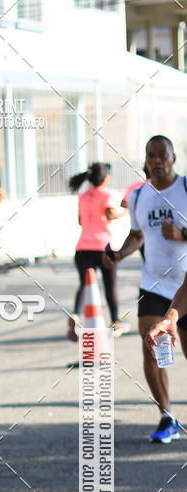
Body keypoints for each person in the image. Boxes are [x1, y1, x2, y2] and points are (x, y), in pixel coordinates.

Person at [103, 135, 187, 443]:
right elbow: (137, 235)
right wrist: (119, 254)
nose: (157, 161)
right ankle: (167, 417)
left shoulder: (186, 189)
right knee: (152, 349)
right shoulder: (139, 197)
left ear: (173, 157)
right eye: (151, 156)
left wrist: (183, 233)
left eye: (162, 155)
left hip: (185, 284)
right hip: (153, 283)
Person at [67, 162, 127, 342]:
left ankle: (76, 316)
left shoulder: (83, 195)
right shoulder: (108, 193)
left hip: (82, 248)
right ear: (106, 177)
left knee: (85, 285)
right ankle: (116, 321)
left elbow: (80, 221)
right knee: (110, 285)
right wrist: (125, 211)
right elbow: (109, 214)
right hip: (103, 247)